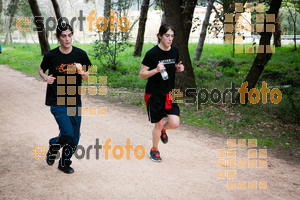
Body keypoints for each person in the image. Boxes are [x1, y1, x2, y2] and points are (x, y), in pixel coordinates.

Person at [38, 23, 91, 173]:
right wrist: (45, 76)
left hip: (75, 100)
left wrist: (81, 70)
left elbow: (87, 78)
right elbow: (41, 69)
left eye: (69, 35)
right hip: (57, 100)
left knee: (75, 136)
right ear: (58, 37)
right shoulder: (51, 55)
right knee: (67, 133)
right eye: (63, 36)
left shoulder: (81, 54)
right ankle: (54, 145)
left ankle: (64, 163)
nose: (67, 39)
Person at [139, 24, 184, 162]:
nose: (170, 39)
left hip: (171, 92)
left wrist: (178, 68)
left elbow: (171, 67)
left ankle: (163, 130)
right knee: (157, 124)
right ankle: (154, 150)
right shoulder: (152, 54)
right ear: (160, 36)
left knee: (175, 123)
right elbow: (141, 74)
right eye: (167, 36)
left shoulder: (175, 51)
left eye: (172, 36)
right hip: (154, 93)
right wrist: (155, 70)